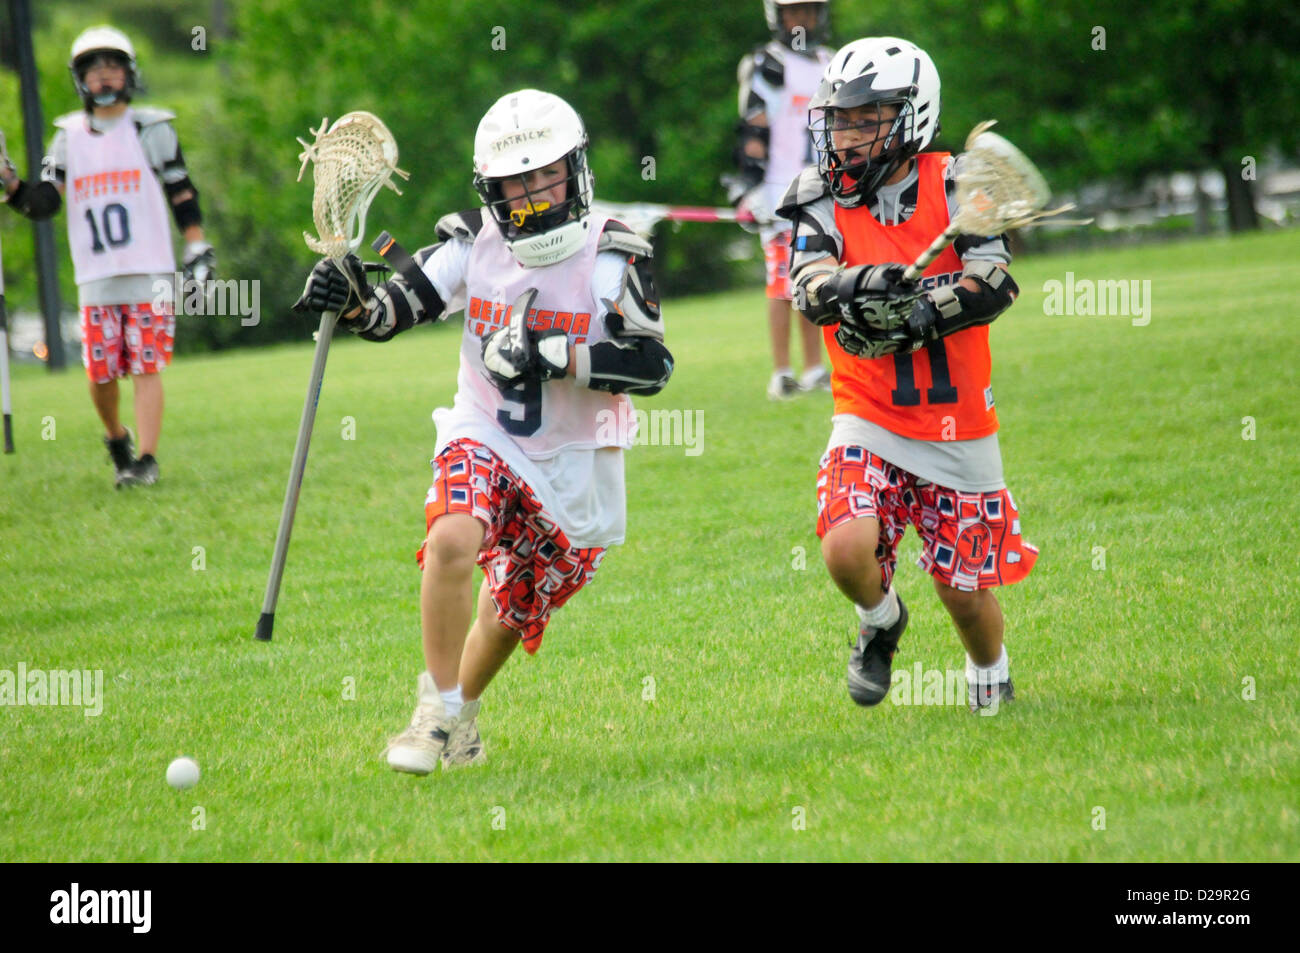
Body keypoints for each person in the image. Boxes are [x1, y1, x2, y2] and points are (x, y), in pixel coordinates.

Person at [295, 89, 673, 772]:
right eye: (515, 182)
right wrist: (348, 300)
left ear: (575, 168)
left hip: (575, 463)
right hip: (485, 430)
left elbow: (652, 366)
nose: (533, 194)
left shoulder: (612, 253)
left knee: (506, 612)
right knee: (451, 537)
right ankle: (433, 710)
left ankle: (460, 716)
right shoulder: (472, 244)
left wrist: (557, 355)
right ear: (491, 189)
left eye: (546, 174)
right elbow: (387, 314)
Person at [778, 37, 1039, 711]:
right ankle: (881, 619)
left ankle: (990, 671)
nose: (847, 135)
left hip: (959, 422)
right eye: (839, 119)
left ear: (912, 117)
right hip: (867, 413)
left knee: (963, 593)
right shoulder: (819, 195)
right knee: (845, 545)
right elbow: (808, 287)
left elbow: (995, 283)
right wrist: (860, 284)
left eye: (866, 119)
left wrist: (921, 312)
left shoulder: (959, 185)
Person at [0, 26, 214, 488]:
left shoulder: (151, 128)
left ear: (129, 73)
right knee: (101, 374)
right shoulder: (67, 138)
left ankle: (147, 460)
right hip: (96, 274)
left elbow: (181, 192)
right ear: (80, 79)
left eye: (113, 66)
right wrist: (12, 185)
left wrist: (196, 244)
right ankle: (118, 439)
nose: (104, 76)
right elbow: (45, 203)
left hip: (150, 268)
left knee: (146, 366)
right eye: (93, 69)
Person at [729, 0, 834, 400]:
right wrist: (750, 188)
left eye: (809, 11)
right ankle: (782, 373)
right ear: (778, 16)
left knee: (815, 276)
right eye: (794, 12)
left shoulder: (832, 63)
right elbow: (753, 131)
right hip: (779, 192)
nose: (802, 19)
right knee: (781, 283)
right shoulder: (767, 64)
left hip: (823, 189)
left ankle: (815, 369)